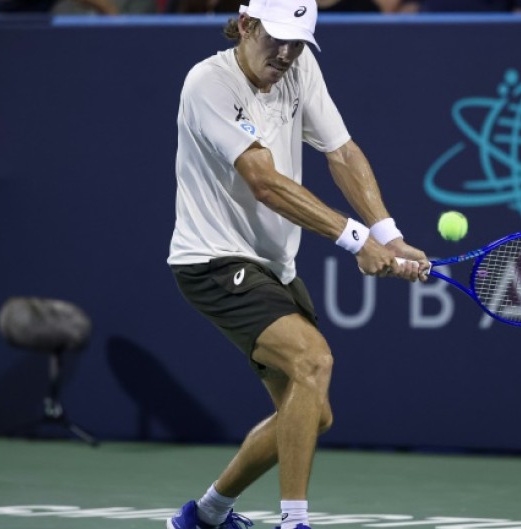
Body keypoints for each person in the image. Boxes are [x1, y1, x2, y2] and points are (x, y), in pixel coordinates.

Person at [166, 1, 428, 529]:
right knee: (313, 360)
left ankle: (205, 515)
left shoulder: (299, 67)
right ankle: (295, 521)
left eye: (297, 41)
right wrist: (356, 240)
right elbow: (264, 182)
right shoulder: (208, 84)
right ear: (246, 25)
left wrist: (388, 235)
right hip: (214, 259)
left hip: (274, 265)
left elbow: (342, 152)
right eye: (276, 38)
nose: (286, 53)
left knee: (312, 414)